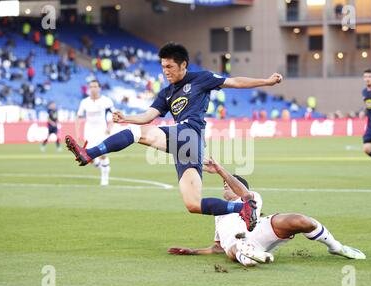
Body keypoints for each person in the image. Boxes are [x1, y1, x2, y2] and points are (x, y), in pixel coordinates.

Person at [65, 42, 283, 231]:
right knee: (193, 204)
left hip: (190, 133)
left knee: (136, 134)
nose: (165, 71)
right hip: (188, 145)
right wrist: (126, 118)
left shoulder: (201, 78)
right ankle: (243, 208)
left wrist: (266, 81)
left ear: (184, 65)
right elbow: (149, 116)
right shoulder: (166, 92)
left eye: (169, 66)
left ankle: (89, 153)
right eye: (162, 67)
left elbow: (234, 82)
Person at [168, 158, 366, 267]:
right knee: (233, 247)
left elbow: (244, 195)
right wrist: (193, 251)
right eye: (223, 184)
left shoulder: (251, 198)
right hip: (235, 245)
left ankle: (336, 247)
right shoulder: (220, 212)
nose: (224, 187)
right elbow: (218, 248)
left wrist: (221, 171)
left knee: (301, 220)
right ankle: (249, 256)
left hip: (258, 233)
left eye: (227, 184)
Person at [75, 80, 115, 186]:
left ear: (99, 88)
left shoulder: (106, 100)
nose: (93, 88)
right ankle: (102, 167)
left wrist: (110, 126)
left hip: (102, 130)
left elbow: (115, 114)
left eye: (95, 86)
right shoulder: (84, 102)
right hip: (89, 131)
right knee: (88, 156)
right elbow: (78, 117)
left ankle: (104, 178)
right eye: (91, 86)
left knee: (102, 154)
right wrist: (77, 133)